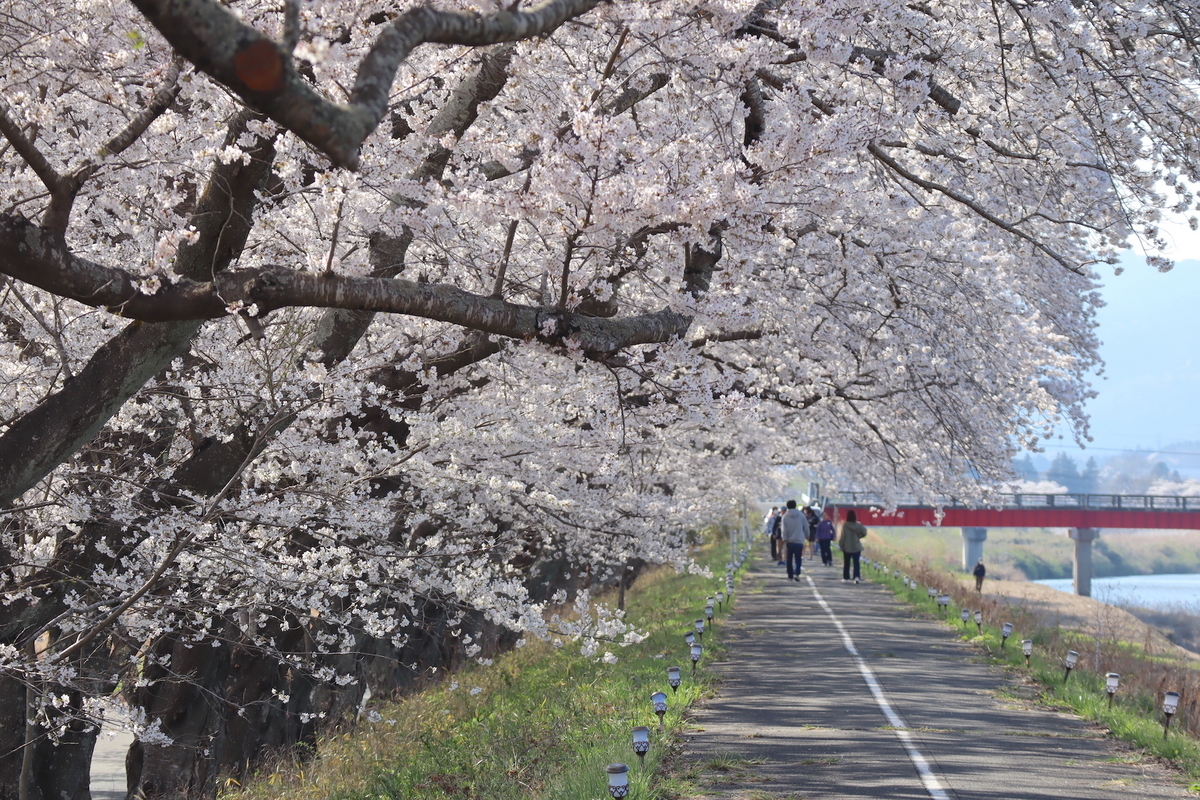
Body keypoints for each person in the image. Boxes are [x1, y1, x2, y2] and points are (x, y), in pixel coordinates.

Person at [779, 499, 809, 581]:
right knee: (798, 558)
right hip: (799, 540)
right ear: (795, 505)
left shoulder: (785, 516)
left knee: (789, 558)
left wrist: (784, 538)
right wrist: (807, 535)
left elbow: (784, 529)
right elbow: (806, 527)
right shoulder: (801, 515)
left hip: (789, 541)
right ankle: (797, 573)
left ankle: (790, 575)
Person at [838, 510, 867, 583]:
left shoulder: (845, 525)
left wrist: (841, 545)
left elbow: (843, 537)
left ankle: (846, 577)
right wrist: (859, 537)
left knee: (847, 562)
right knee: (856, 562)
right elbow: (864, 532)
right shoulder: (858, 525)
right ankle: (856, 577)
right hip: (856, 546)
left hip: (847, 547)